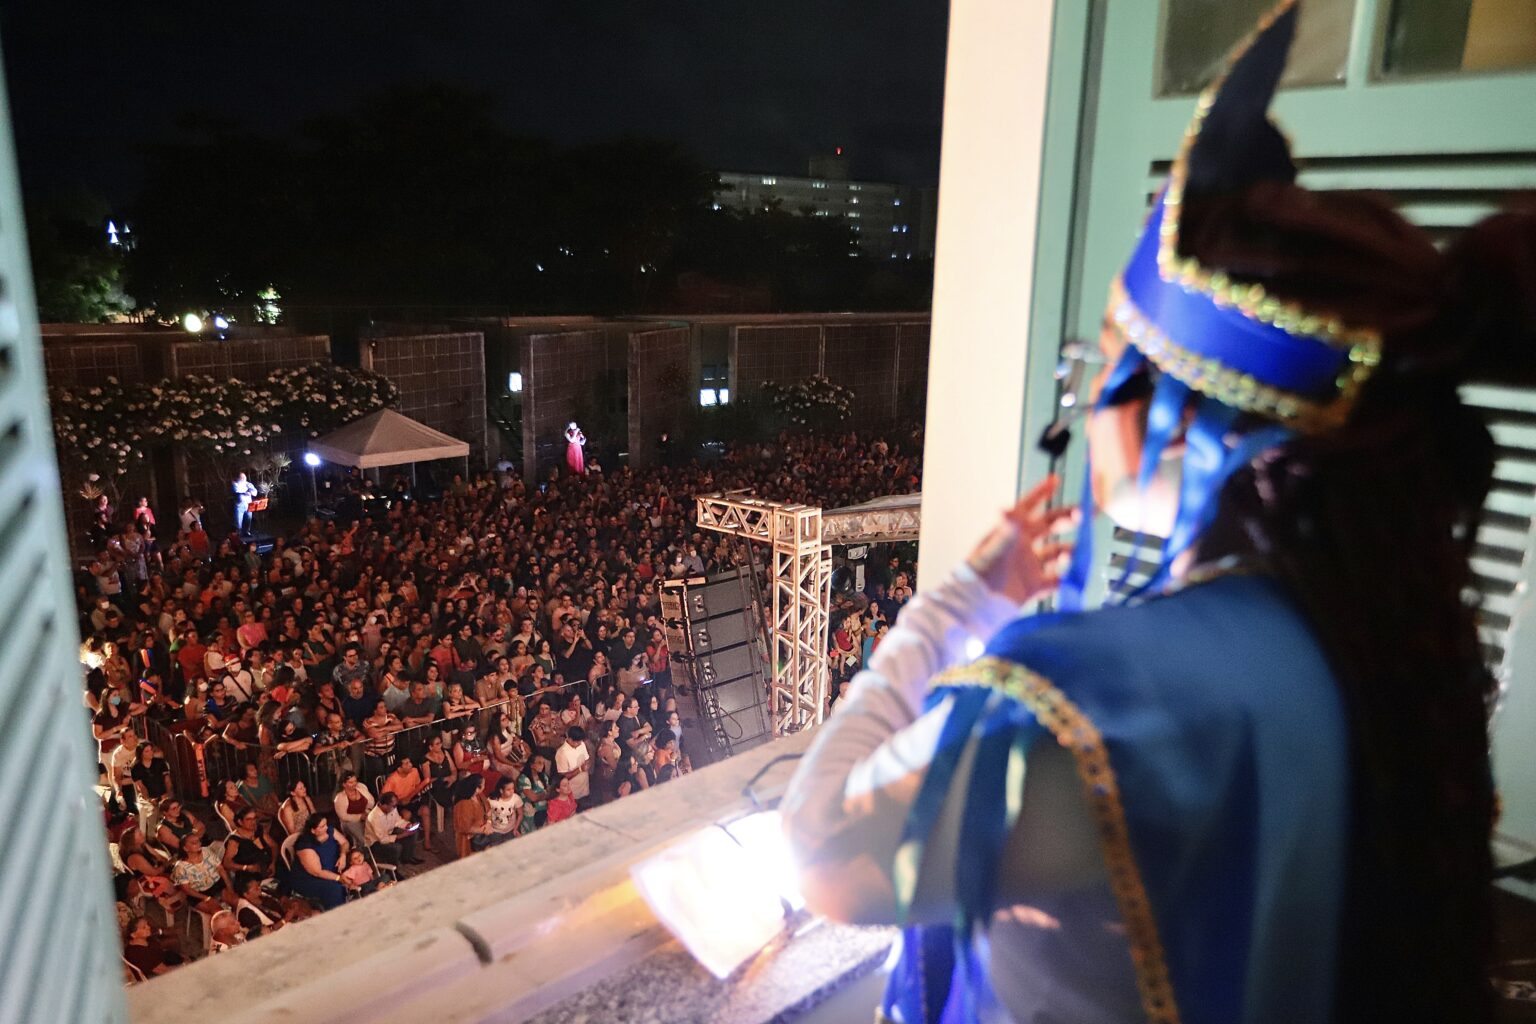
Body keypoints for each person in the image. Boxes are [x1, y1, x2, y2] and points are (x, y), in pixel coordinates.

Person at [780, 11, 1522, 1023]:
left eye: (1105, 358)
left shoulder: (1102, 695)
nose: (1087, 401)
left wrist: (957, 603)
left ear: (1183, 403)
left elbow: (824, 851)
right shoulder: (1383, 643)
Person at [291, 813, 353, 910]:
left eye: (326, 824)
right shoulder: (305, 846)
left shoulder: (330, 830)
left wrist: (343, 855)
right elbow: (317, 872)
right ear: (313, 830)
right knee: (334, 888)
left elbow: (345, 842)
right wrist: (338, 878)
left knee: (357, 864)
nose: (326, 827)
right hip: (311, 879)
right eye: (322, 826)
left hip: (333, 867)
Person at [554, 726, 591, 809]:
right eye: (577, 742)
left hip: (585, 789)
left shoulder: (581, 744)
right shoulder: (561, 753)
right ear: (570, 739)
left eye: (581, 741)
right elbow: (562, 777)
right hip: (573, 794)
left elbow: (587, 759)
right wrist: (580, 769)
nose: (580, 743)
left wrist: (588, 764)